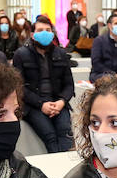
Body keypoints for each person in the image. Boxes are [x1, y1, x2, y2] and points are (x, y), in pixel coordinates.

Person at [12, 15, 75, 153]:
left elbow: (69, 84)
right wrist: (41, 104)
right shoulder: (21, 54)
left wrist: (62, 102)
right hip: (33, 105)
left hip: (58, 102)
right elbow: (19, 87)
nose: (45, 33)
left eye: (48, 30)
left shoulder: (61, 54)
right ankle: (57, 169)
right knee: (49, 135)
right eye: (40, 30)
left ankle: (66, 168)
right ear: (33, 35)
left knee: (65, 133)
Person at [90, 13, 117, 81]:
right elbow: (96, 63)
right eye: (116, 23)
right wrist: (112, 74)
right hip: (100, 74)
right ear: (109, 25)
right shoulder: (99, 41)